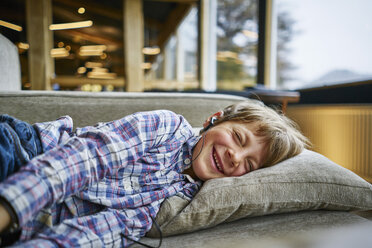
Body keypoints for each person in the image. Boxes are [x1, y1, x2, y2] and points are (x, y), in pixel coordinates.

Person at [0, 100, 309, 247]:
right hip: (24, 154)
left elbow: (101, 233)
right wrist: (8, 208)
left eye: (249, 165)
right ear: (215, 119)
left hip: (28, 225)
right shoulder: (167, 127)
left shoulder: (178, 201)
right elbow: (84, 160)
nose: (234, 156)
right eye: (238, 138)